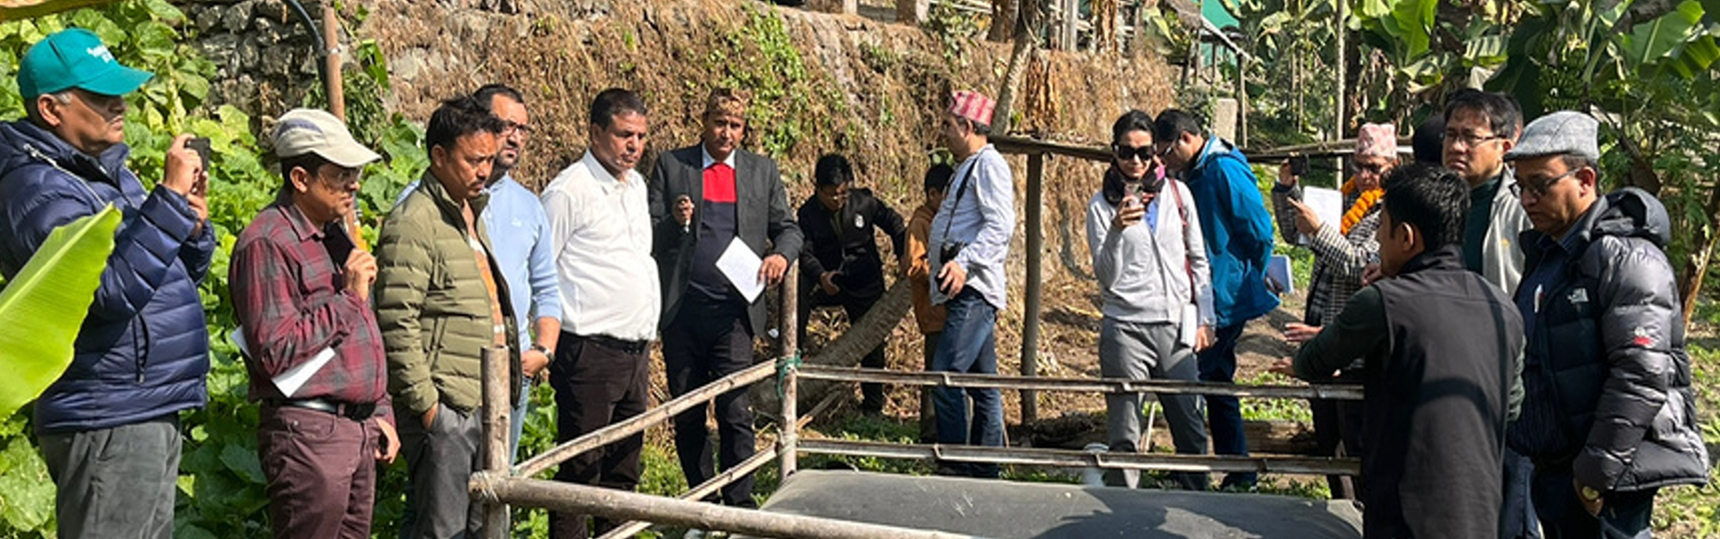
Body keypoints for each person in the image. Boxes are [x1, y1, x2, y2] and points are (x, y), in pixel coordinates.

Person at [0, 29, 214, 539]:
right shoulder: (35, 187)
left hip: (145, 400)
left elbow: (168, 278)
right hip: (105, 411)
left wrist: (193, 225)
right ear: (51, 109)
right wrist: (165, 199)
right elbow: (107, 293)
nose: (119, 104)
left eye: (118, 91)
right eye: (100, 96)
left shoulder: (104, 174)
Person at [1276, 163, 1525, 539]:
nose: (1377, 240)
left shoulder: (1384, 302)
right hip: (1482, 506)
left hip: (1406, 508)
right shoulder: (1503, 308)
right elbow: (1513, 405)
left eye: (1381, 228)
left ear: (1406, 237)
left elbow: (1316, 360)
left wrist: (1301, 361)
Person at [1505, 111, 1709, 538]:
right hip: (1555, 472)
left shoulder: (1625, 258)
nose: (1527, 199)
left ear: (1585, 179)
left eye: (1540, 185)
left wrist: (1595, 475)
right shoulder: (1549, 253)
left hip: (1604, 481)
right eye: (1520, 186)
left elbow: (1640, 374)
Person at [230, 108, 398, 539]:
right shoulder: (267, 242)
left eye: (354, 172)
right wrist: (347, 297)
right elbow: (275, 350)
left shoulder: (333, 233)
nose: (354, 184)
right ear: (300, 179)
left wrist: (380, 412)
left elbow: (362, 335)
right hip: (309, 437)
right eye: (340, 174)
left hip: (355, 431)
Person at [649, 88, 803, 507]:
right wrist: (676, 224)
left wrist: (780, 256)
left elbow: (789, 228)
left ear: (744, 129)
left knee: (735, 411)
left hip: (735, 312)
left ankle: (739, 504)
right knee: (688, 413)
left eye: (735, 126)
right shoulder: (672, 166)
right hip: (682, 311)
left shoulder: (761, 171)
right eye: (720, 123)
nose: (727, 133)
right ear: (704, 121)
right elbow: (648, 229)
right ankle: (702, 502)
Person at [394, 85, 562, 461]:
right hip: (450, 386)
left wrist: (542, 351)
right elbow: (398, 313)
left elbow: (546, 288)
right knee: (439, 510)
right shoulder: (420, 206)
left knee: (497, 492)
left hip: (511, 375)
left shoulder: (527, 206)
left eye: (523, 128)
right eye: (506, 125)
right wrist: (428, 406)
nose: (515, 137)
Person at [373, 96, 511, 539]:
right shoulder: (415, 221)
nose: (484, 171)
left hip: (484, 401)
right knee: (440, 530)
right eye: (473, 160)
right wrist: (430, 410)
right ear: (438, 156)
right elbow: (396, 319)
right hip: (448, 406)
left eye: (489, 159)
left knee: (484, 526)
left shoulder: (468, 211)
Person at [539, 88, 659, 539]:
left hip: (635, 350)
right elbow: (541, 271)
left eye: (641, 137)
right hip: (588, 351)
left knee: (624, 468)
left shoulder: (637, 186)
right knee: (580, 471)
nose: (634, 146)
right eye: (624, 134)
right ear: (595, 132)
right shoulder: (569, 191)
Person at [1084, 110, 1213, 490]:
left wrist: (1207, 319)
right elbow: (1106, 275)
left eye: (1145, 152)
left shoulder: (1177, 194)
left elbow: (1198, 259)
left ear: (1157, 152)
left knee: (1189, 425)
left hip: (1175, 327)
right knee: (1125, 432)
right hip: (1124, 328)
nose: (1136, 161)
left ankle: (1196, 508)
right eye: (1127, 152)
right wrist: (1116, 230)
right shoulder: (1101, 205)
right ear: (1114, 152)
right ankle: (1124, 514)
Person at [1270, 122, 1398, 500]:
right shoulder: (1341, 201)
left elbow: (1364, 267)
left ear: (1391, 166)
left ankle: (1363, 512)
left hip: (1354, 345)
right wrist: (1285, 188)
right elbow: (1297, 235)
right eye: (1359, 166)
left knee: (1356, 435)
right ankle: (1342, 506)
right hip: (1322, 333)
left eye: (1374, 168)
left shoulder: (1390, 212)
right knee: (1329, 435)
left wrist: (1322, 231)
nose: (1364, 175)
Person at [1153, 108, 1277, 490]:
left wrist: (1254, 272)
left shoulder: (1222, 170)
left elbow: (1258, 228)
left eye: (1167, 151)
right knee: (1215, 378)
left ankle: (1200, 469)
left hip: (1225, 294)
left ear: (1188, 139)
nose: (1165, 161)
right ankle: (1233, 467)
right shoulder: (1192, 172)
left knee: (1199, 376)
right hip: (1204, 291)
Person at [1442, 89, 1539, 539]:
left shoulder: (1522, 207)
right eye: (1451, 135)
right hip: (1445, 370)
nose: (1457, 146)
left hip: (1506, 373)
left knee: (1507, 495)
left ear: (1504, 145)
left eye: (1469, 137)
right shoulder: (1440, 199)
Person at [927, 90, 1016, 478]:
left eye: (949, 125)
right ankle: (984, 469)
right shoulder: (970, 165)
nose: (944, 133)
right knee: (983, 385)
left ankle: (957, 466)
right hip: (966, 288)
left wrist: (963, 263)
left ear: (967, 126)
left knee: (945, 377)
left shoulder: (988, 165)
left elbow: (1001, 226)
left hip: (974, 289)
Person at [796, 153, 906, 414]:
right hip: (829, 282)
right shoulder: (807, 214)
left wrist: (903, 254)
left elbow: (895, 223)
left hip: (864, 281)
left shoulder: (864, 201)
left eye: (843, 193)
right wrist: (821, 275)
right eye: (831, 194)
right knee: (798, 291)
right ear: (818, 188)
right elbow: (805, 253)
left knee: (873, 344)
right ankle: (795, 354)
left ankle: (872, 406)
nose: (838, 199)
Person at [904, 163, 953, 442]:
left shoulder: (942, 219)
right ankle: (930, 433)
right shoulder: (921, 222)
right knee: (935, 371)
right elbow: (913, 265)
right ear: (932, 194)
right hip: (933, 311)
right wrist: (941, 272)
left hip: (947, 309)